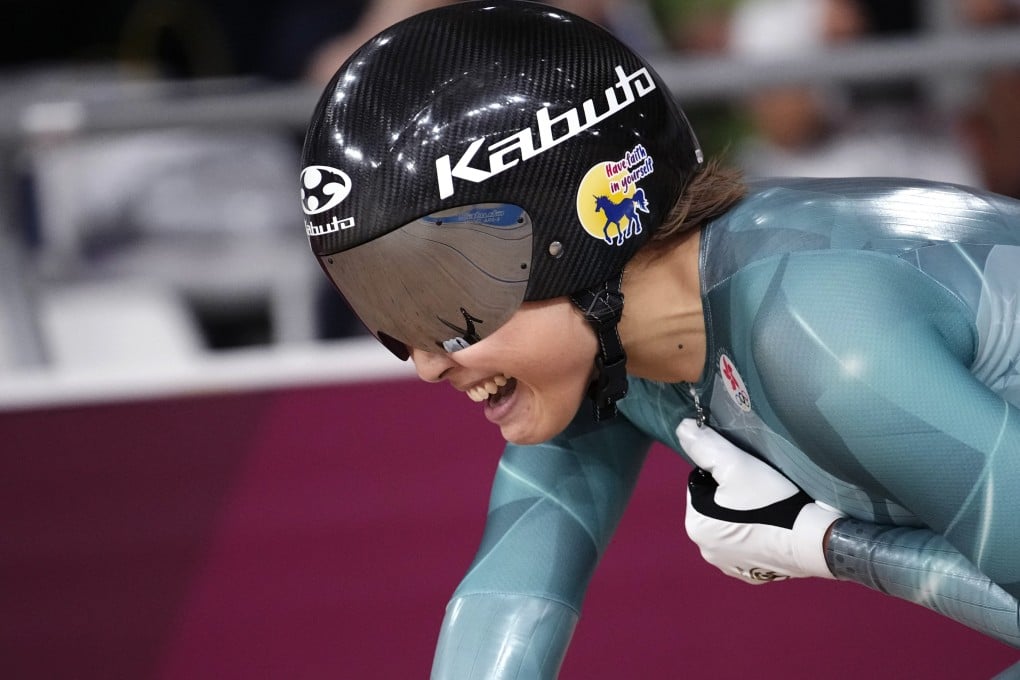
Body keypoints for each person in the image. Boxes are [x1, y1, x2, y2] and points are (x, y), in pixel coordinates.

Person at [299, 1, 1020, 676]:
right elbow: (507, 598)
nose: (425, 364)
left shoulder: (824, 344)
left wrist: (834, 547)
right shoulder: (608, 357)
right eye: (390, 314)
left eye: (441, 304)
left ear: (572, 242)